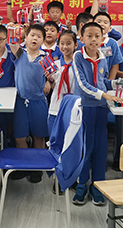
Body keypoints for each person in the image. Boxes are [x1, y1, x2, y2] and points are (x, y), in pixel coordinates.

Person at [72, 22, 123, 205]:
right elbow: (82, 85)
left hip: (101, 108)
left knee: (101, 148)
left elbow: (102, 81)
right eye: (89, 36)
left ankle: (98, 186)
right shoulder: (78, 56)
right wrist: (104, 95)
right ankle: (81, 185)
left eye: (97, 36)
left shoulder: (102, 57)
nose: (93, 40)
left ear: (103, 38)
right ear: (82, 38)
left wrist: (117, 84)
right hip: (85, 107)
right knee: (86, 147)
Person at [9, 24, 50, 183]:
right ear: (25, 38)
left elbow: (52, 75)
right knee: (20, 137)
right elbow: (11, 43)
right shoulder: (20, 53)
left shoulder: (45, 57)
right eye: (32, 35)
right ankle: (24, 166)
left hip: (39, 101)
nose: (35, 39)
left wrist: (49, 81)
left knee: (39, 136)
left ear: (43, 41)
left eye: (39, 36)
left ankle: (37, 168)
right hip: (20, 100)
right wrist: (13, 28)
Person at [47, 30, 76, 134]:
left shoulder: (79, 65)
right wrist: (49, 81)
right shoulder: (54, 65)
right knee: (54, 137)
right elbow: (51, 84)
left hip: (74, 108)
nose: (65, 47)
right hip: (56, 108)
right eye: (62, 44)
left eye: (69, 43)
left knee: (71, 139)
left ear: (75, 45)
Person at [93, 12, 123, 80]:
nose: (102, 24)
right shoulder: (87, 41)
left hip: (106, 80)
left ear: (110, 28)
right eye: (98, 21)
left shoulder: (112, 43)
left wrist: (109, 82)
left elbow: (115, 65)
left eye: (105, 22)